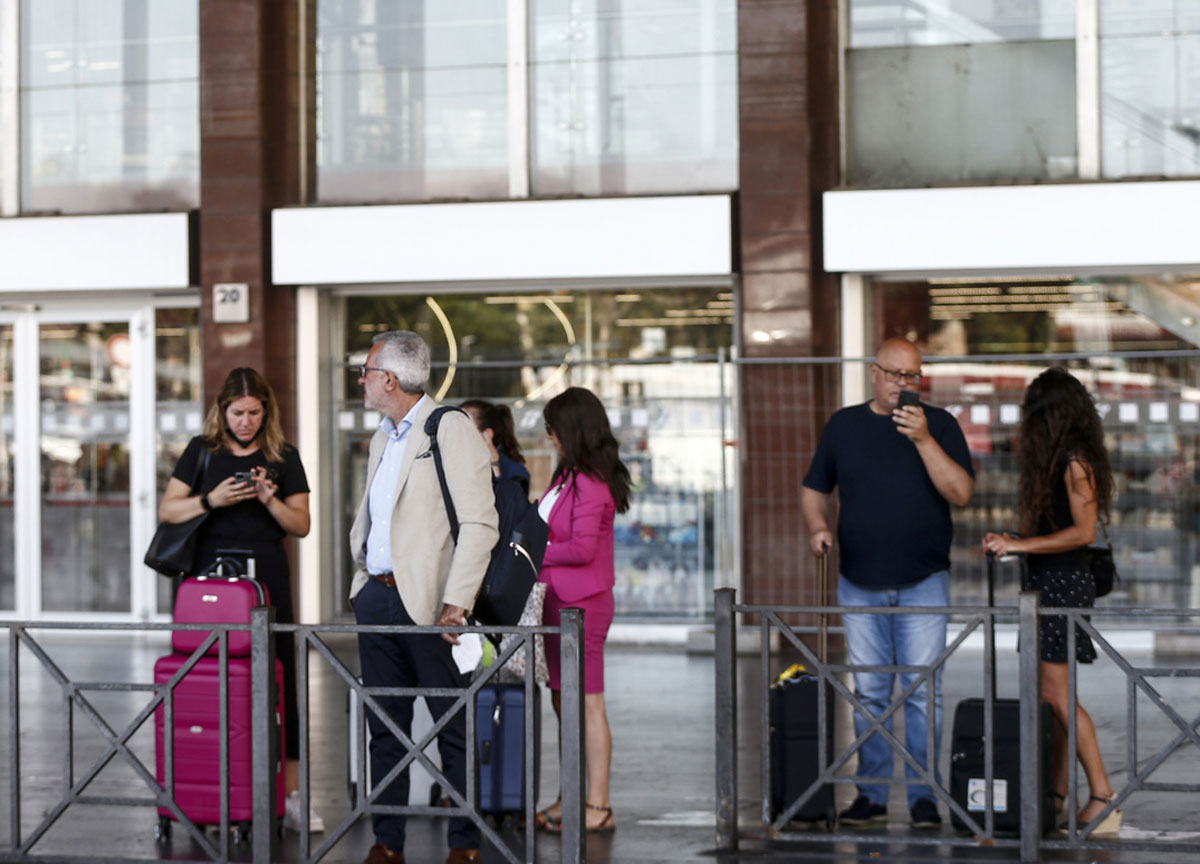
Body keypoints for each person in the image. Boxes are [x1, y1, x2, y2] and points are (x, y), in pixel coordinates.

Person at [801, 338, 974, 827]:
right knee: (871, 692)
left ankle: (923, 797)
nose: (903, 384)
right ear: (873, 373)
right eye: (895, 374)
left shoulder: (938, 425)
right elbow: (814, 486)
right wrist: (817, 527)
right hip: (859, 580)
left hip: (923, 580)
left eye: (912, 376)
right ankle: (872, 794)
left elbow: (961, 493)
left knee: (922, 692)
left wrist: (922, 440)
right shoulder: (844, 425)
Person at [348, 331, 499, 864]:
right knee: (384, 729)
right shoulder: (380, 438)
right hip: (379, 597)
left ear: (388, 378)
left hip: (435, 605)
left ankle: (465, 843)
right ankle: (387, 843)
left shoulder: (448, 427)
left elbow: (481, 522)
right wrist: (364, 583)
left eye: (365, 372)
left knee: (450, 727)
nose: (361, 380)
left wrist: (457, 601)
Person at [156, 367, 321, 831]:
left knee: (279, 679)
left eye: (254, 412)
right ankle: (204, 781)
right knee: (205, 677)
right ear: (221, 411)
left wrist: (269, 499)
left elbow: (301, 524)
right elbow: (168, 509)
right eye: (237, 413)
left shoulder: (283, 455)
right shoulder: (201, 451)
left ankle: (289, 797)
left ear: (266, 411)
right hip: (209, 581)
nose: (245, 421)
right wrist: (214, 500)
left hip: (265, 577)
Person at [982, 367, 1121, 835]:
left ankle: (1101, 795)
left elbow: (1083, 533)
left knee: (1058, 695)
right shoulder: (1062, 457)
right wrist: (1015, 539)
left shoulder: (1075, 460)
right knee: (1052, 694)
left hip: (1063, 584)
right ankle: (1058, 795)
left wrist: (1020, 545)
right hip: (1050, 583)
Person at [532, 386, 631, 835]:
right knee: (562, 702)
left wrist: (534, 550)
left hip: (582, 608)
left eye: (553, 429)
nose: (549, 437)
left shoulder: (591, 483)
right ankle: (571, 794)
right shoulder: (567, 476)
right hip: (558, 605)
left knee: (588, 704)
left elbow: (580, 548)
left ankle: (599, 804)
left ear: (570, 430)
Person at [460, 398, 531, 492]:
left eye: (463, 429)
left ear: (487, 434)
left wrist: (494, 467)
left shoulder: (515, 471)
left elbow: (509, 504)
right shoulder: (458, 464)